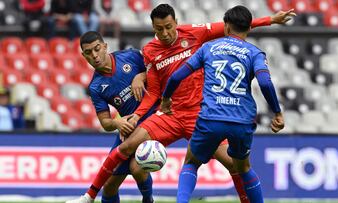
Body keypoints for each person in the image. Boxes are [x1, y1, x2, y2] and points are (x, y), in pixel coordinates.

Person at [66, 4, 295, 203]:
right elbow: (155, 90)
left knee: (234, 165)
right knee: (124, 149)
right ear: (153, 28)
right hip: (170, 114)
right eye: (159, 29)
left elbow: (235, 26)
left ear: (176, 22)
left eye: (168, 27)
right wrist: (137, 114)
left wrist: (270, 20)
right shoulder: (149, 52)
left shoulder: (195, 34)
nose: (165, 33)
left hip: (201, 114)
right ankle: (89, 197)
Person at [160, 5, 285, 202]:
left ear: (226, 27)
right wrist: (277, 112)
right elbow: (265, 82)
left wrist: (166, 99)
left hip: (211, 117)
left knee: (191, 162)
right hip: (241, 121)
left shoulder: (208, 48)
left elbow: (176, 76)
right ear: (249, 29)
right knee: (243, 168)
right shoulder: (255, 53)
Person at [66, 31, 155, 203]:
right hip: (130, 127)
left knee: (137, 168)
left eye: (97, 49)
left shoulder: (131, 56)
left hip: (153, 117)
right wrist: (117, 122)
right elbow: (106, 123)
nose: (95, 55)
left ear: (105, 46)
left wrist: (141, 76)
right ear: (84, 56)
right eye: (89, 52)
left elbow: (158, 72)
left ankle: (148, 199)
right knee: (109, 185)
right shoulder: (96, 87)